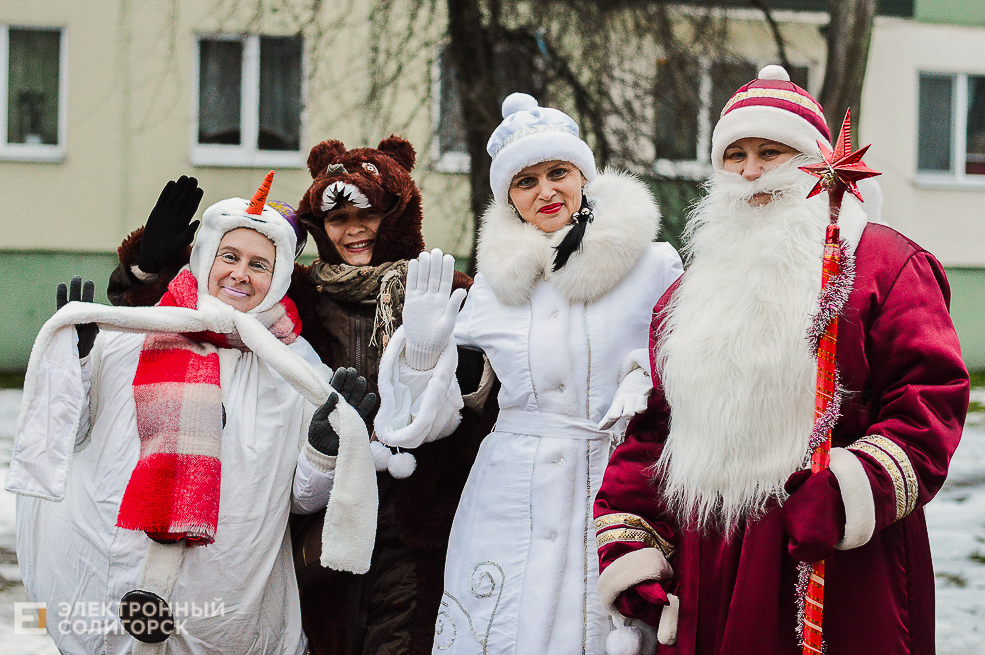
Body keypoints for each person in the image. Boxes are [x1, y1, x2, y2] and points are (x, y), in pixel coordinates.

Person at [593, 66, 969, 655]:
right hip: (711, 555)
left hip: (835, 557)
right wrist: (633, 547)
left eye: (771, 152)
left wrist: (849, 490)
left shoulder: (882, 265)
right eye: (734, 155)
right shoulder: (687, 295)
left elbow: (930, 399)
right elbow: (658, 430)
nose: (749, 172)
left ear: (816, 163)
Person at [105, 137, 497, 655]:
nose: (353, 229)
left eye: (369, 214)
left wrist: (466, 368)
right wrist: (145, 267)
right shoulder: (299, 296)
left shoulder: (443, 287)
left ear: (397, 215)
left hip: (415, 516)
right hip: (317, 523)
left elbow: (495, 398)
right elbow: (208, 309)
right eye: (337, 219)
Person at [7, 173, 378, 655]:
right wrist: (75, 365)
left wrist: (323, 451)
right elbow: (70, 435)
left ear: (280, 275)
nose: (241, 274)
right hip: (110, 588)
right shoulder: (131, 334)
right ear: (205, 257)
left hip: (222, 612)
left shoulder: (296, 368)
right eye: (230, 256)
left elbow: (299, 499)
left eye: (259, 264)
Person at [372, 93, 683, 654]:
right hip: (508, 492)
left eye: (558, 172)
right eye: (525, 181)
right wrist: (421, 351)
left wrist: (644, 382)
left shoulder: (652, 265)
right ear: (508, 197)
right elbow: (434, 422)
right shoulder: (495, 285)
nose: (545, 192)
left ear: (583, 177)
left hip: (611, 487)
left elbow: (683, 371)